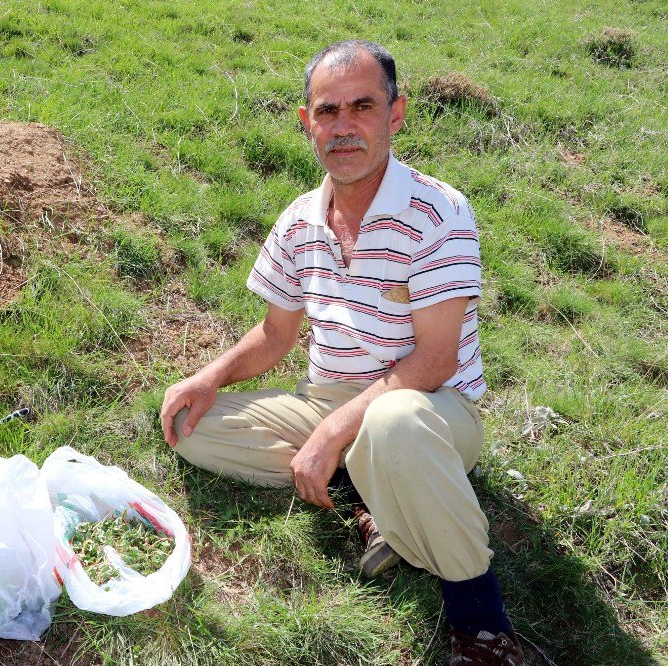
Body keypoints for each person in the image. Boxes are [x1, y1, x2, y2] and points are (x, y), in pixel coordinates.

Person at [160, 40, 524, 665]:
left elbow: (434, 361)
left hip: (429, 409)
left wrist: (330, 433)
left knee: (393, 424)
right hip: (328, 399)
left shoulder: (440, 212)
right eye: (327, 111)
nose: (343, 126)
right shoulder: (301, 218)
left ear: (396, 114)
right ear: (307, 123)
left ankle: (483, 626)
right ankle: (370, 493)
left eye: (362, 106)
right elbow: (276, 334)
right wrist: (208, 377)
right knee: (190, 429)